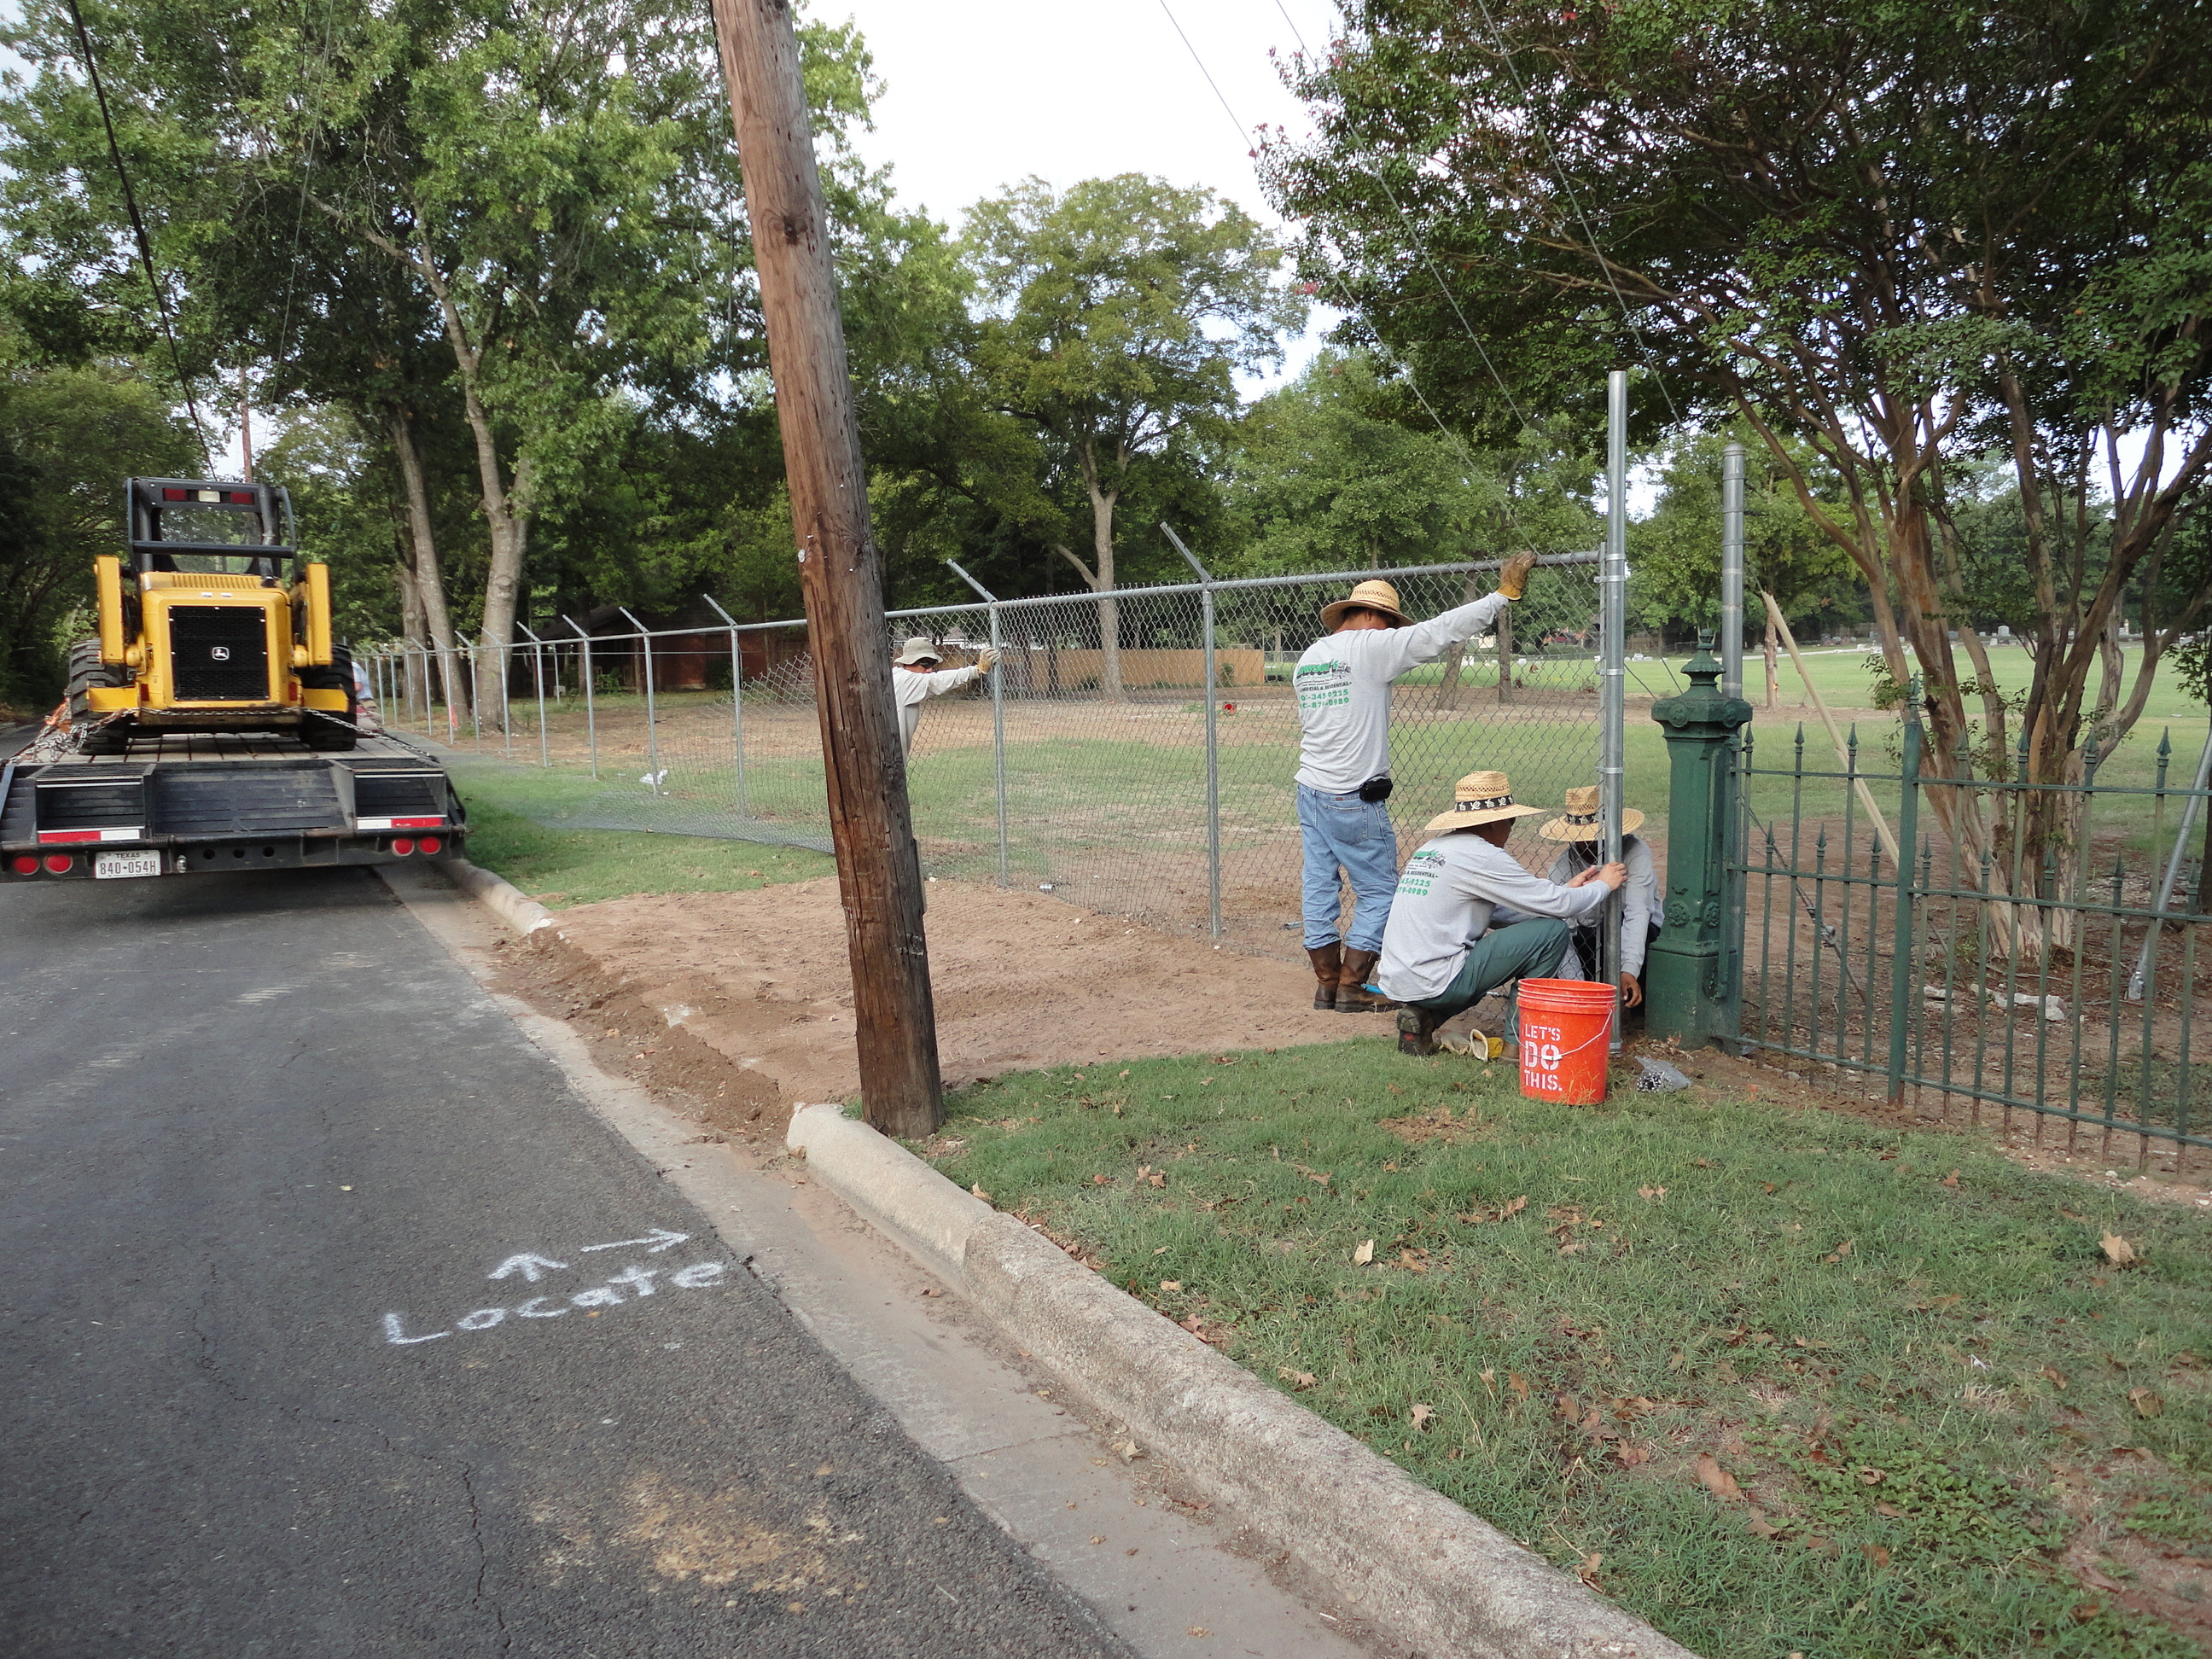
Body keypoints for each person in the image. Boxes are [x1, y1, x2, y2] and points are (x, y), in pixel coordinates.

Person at [1296, 554, 1540, 1014]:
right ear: (1371, 617)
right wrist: (1500, 597)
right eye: (1389, 623)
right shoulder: (1369, 646)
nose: (1393, 634)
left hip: (1310, 788)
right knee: (1380, 890)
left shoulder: (1312, 656)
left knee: (1318, 883)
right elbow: (1438, 631)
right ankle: (1351, 986)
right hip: (1352, 795)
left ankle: (1325, 984)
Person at [1377, 770, 1626, 1057]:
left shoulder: (1434, 848)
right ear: (1496, 822)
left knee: (1513, 945)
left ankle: (1423, 1020)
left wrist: (1565, 892)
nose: (1510, 829)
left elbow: (1507, 912)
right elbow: (1559, 908)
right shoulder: (1481, 855)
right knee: (1552, 933)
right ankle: (1515, 1045)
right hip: (1436, 978)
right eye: (1511, 821)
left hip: (1399, 978)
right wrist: (1603, 886)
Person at [1539, 784, 1660, 1014]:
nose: (1587, 845)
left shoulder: (1635, 851)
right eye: (1581, 838)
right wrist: (1578, 988)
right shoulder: (1563, 866)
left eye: (1594, 837)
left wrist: (1628, 969)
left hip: (1637, 936)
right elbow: (1563, 930)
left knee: (1623, 926)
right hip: (1588, 941)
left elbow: (1638, 912)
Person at [891, 636, 998, 754]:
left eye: (933, 664)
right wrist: (976, 670)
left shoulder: (897, 676)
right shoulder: (904, 681)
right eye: (925, 664)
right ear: (909, 661)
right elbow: (937, 681)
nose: (929, 670)